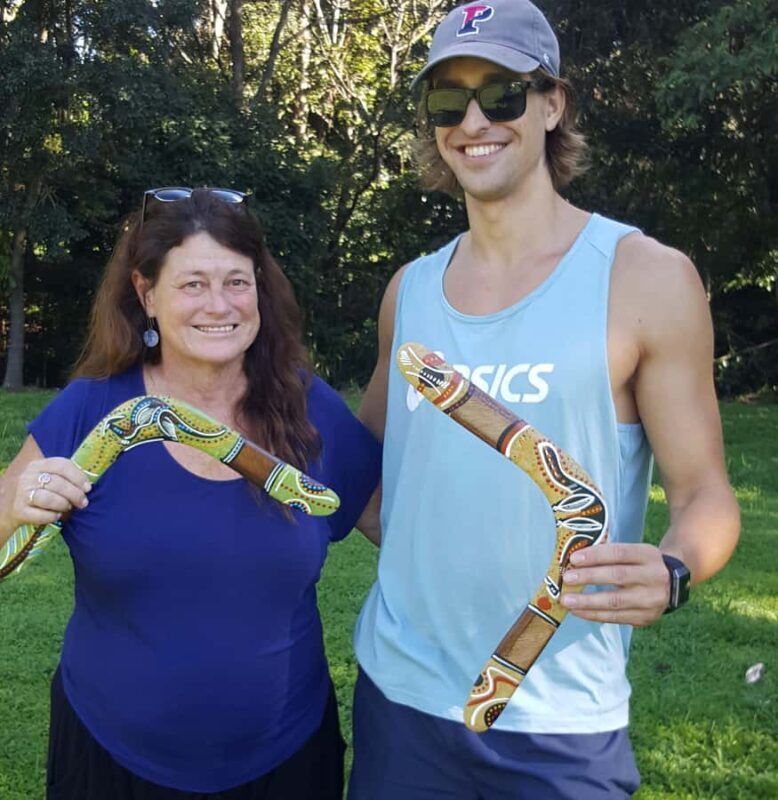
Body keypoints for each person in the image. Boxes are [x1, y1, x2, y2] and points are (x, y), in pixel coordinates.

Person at [349, 1, 740, 798]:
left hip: (559, 719)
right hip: (403, 703)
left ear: (552, 104)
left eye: (501, 93)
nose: (473, 122)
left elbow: (705, 496)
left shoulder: (645, 278)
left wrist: (673, 569)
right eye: (447, 100)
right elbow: (364, 472)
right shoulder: (410, 292)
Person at [0, 187, 381, 799]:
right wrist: (22, 505)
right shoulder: (91, 410)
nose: (218, 304)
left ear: (259, 290)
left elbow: (405, 530)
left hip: (285, 759)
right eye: (192, 284)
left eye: (236, 282)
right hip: (110, 758)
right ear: (147, 294)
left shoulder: (310, 410)